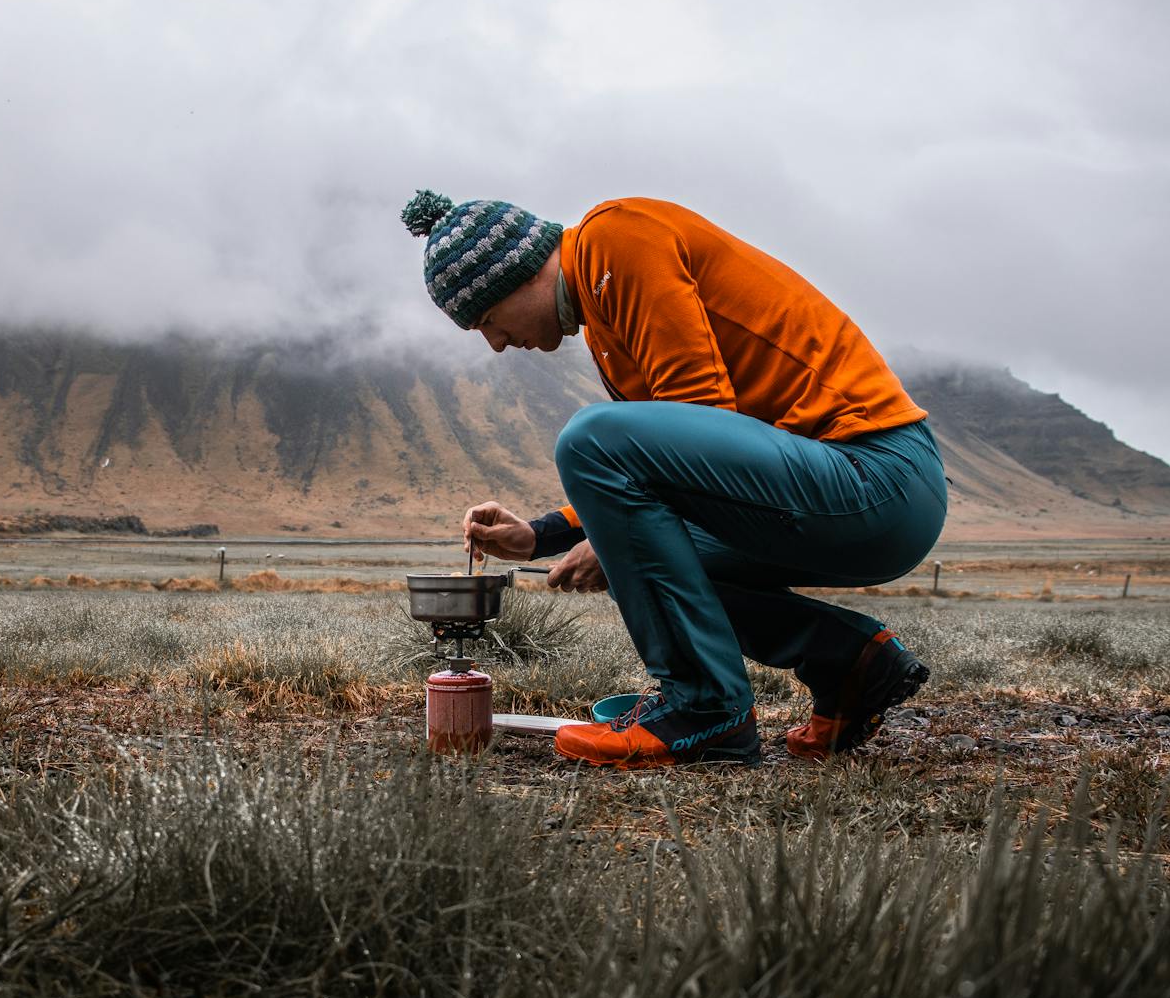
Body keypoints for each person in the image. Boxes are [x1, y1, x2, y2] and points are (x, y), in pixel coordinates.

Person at [401, 190, 946, 769]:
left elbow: (699, 423)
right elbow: (668, 481)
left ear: (517, 275)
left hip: (877, 474)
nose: (497, 342)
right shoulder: (603, 327)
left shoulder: (615, 238)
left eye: (487, 319)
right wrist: (540, 536)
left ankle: (705, 711)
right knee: (636, 547)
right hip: (848, 499)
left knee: (589, 438)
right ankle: (849, 660)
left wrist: (606, 543)